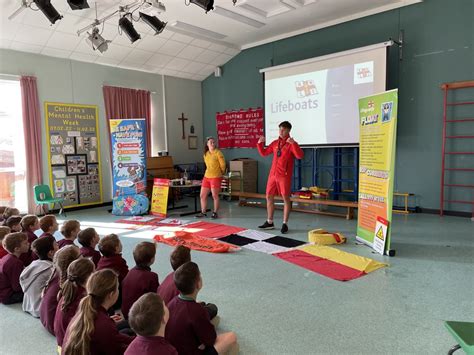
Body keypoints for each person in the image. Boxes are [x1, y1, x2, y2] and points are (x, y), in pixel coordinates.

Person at [165, 262, 238, 355]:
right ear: (198, 284)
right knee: (232, 337)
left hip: (173, 349)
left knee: (215, 320)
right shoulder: (197, 311)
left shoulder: (170, 303)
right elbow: (210, 340)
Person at [62, 269, 135, 355]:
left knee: (126, 328)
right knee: (129, 333)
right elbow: (119, 351)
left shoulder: (83, 311)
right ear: (111, 294)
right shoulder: (104, 324)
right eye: (117, 288)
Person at [257, 121, 304, 234]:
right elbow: (264, 153)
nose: (281, 131)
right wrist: (259, 144)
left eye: (283, 130)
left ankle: (285, 223)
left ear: (288, 131)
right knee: (268, 196)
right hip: (273, 174)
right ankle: (270, 222)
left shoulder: (291, 144)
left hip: (284, 175)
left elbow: (300, 156)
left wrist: (293, 144)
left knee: (285, 198)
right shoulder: (275, 143)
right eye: (280, 129)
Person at [40, 245, 81, 335]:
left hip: (46, 321)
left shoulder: (58, 275)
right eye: (80, 255)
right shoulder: (70, 284)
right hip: (56, 328)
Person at [54, 258, 95, 347]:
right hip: (72, 346)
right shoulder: (84, 299)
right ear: (90, 276)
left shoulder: (69, 291)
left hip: (62, 344)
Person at [19, 236, 58, 317]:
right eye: (56, 244)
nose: (58, 245)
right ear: (51, 252)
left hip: (28, 305)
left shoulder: (33, 264)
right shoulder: (51, 269)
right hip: (41, 309)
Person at [121, 242, 159, 319]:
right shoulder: (152, 276)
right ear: (152, 259)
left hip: (126, 313)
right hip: (139, 317)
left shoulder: (130, 272)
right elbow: (156, 298)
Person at [196, 136, 226, 219]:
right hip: (207, 176)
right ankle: (203, 212)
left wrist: (221, 173)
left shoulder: (218, 153)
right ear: (207, 144)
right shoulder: (206, 154)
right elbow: (207, 165)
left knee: (214, 195)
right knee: (202, 195)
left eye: (214, 142)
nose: (213, 144)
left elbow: (223, 165)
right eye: (211, 142)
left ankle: (215, 212)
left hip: (216, 177)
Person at [0, 232, 29, 304]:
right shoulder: (15, 262)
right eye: (25, 243)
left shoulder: (6, 257)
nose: (28, 244)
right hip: (8, 296)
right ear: (17, 249)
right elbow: (17, 287)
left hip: (3, 293)